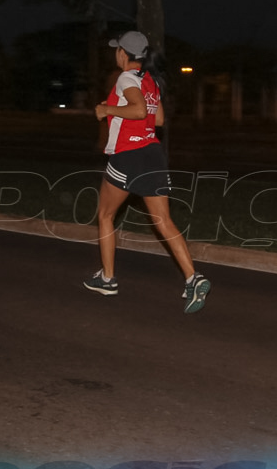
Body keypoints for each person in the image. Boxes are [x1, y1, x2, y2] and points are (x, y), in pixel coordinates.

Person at [83, 30, 212, 314]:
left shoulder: (125, 78)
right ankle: (193, 278)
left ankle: (107, 278)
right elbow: (160, 118)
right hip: (153, 155)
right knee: (163, 221)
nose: (115, 53)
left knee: (105, 215)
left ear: (123, 54)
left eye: (117, 50)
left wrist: (107, 109)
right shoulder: (150, 80)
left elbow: (140, 111)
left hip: (128, 156)